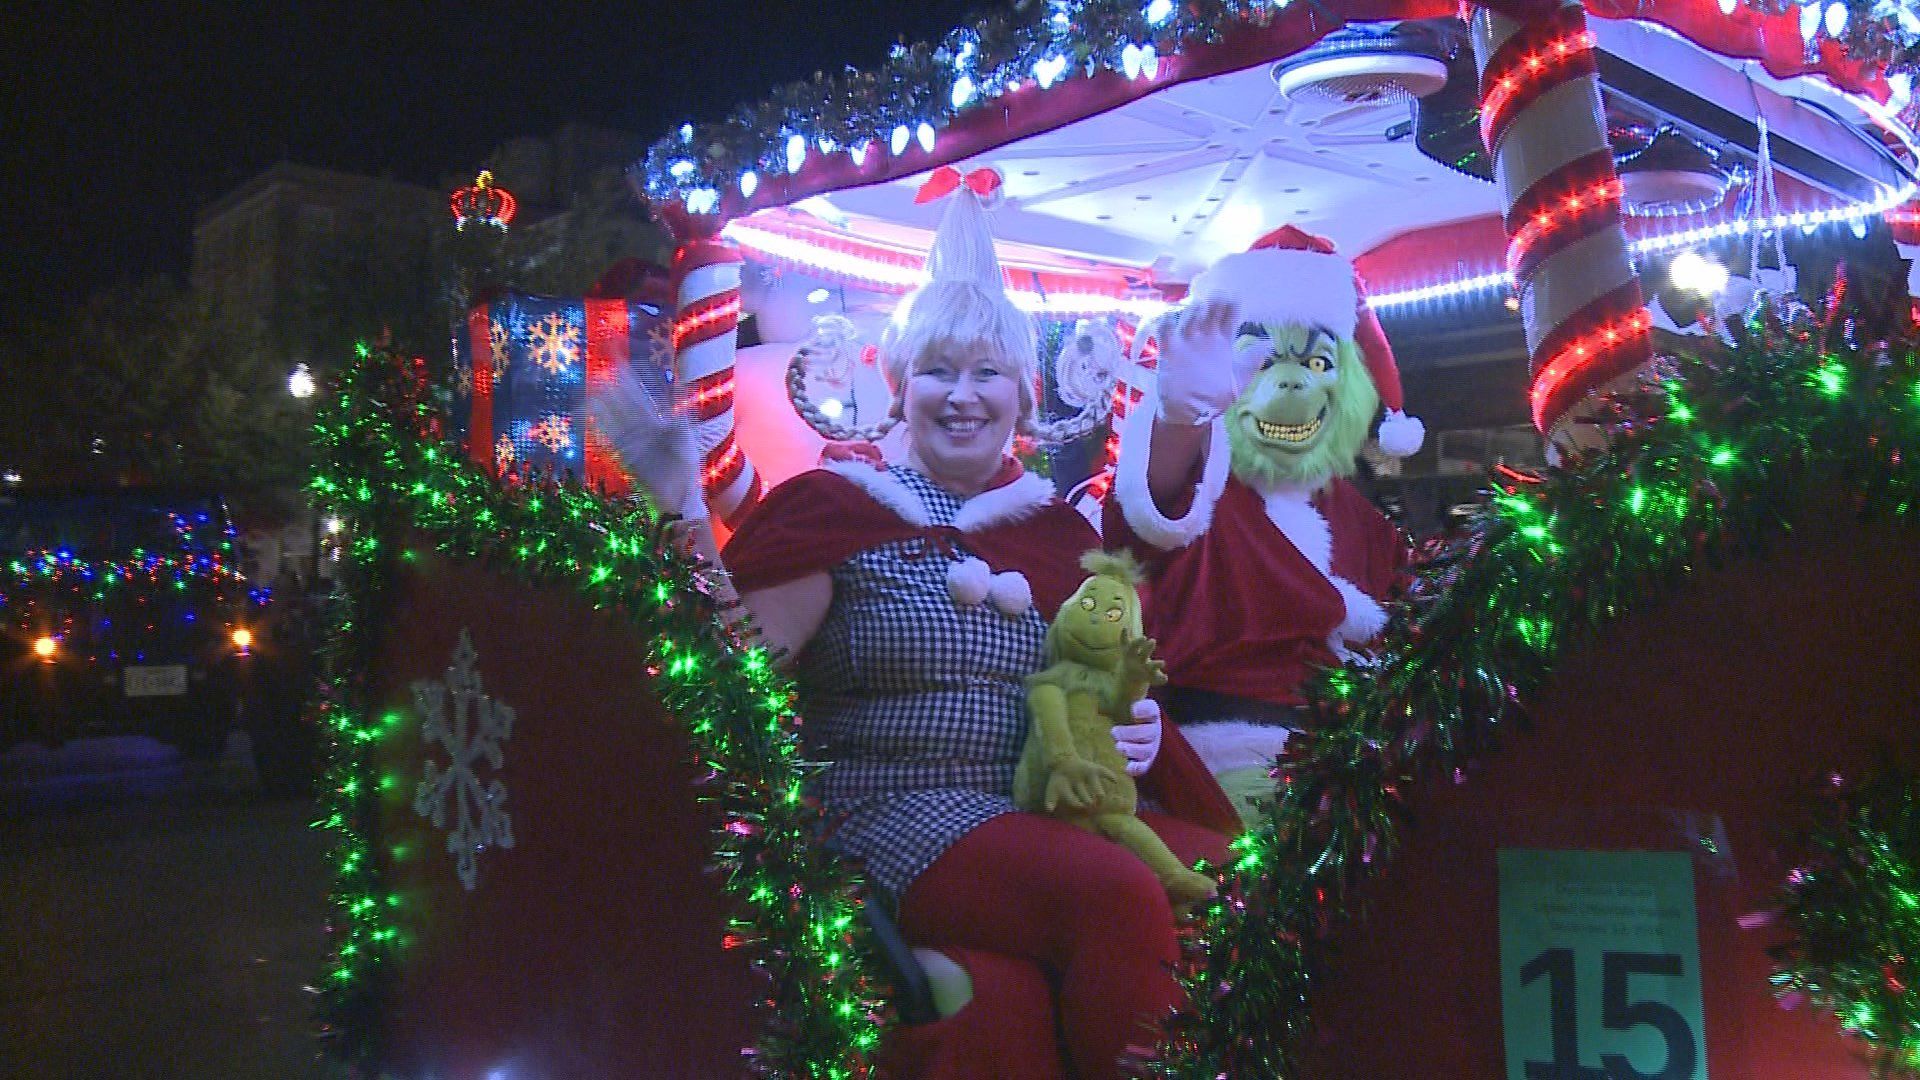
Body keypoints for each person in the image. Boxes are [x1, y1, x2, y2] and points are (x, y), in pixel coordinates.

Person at [595, 172, 1231, 1079]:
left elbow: (1104, 671)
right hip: (892, 814)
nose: (962, 395)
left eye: (986, 373)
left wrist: (1137, 725)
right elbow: (733, 671)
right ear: (900, 386)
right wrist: (682, 509)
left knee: (1243, 875)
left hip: (1035, 807)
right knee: (1118, 896)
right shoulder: (839, 508)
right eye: (938, 370)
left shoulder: (1051, 530)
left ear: (1021, 391)